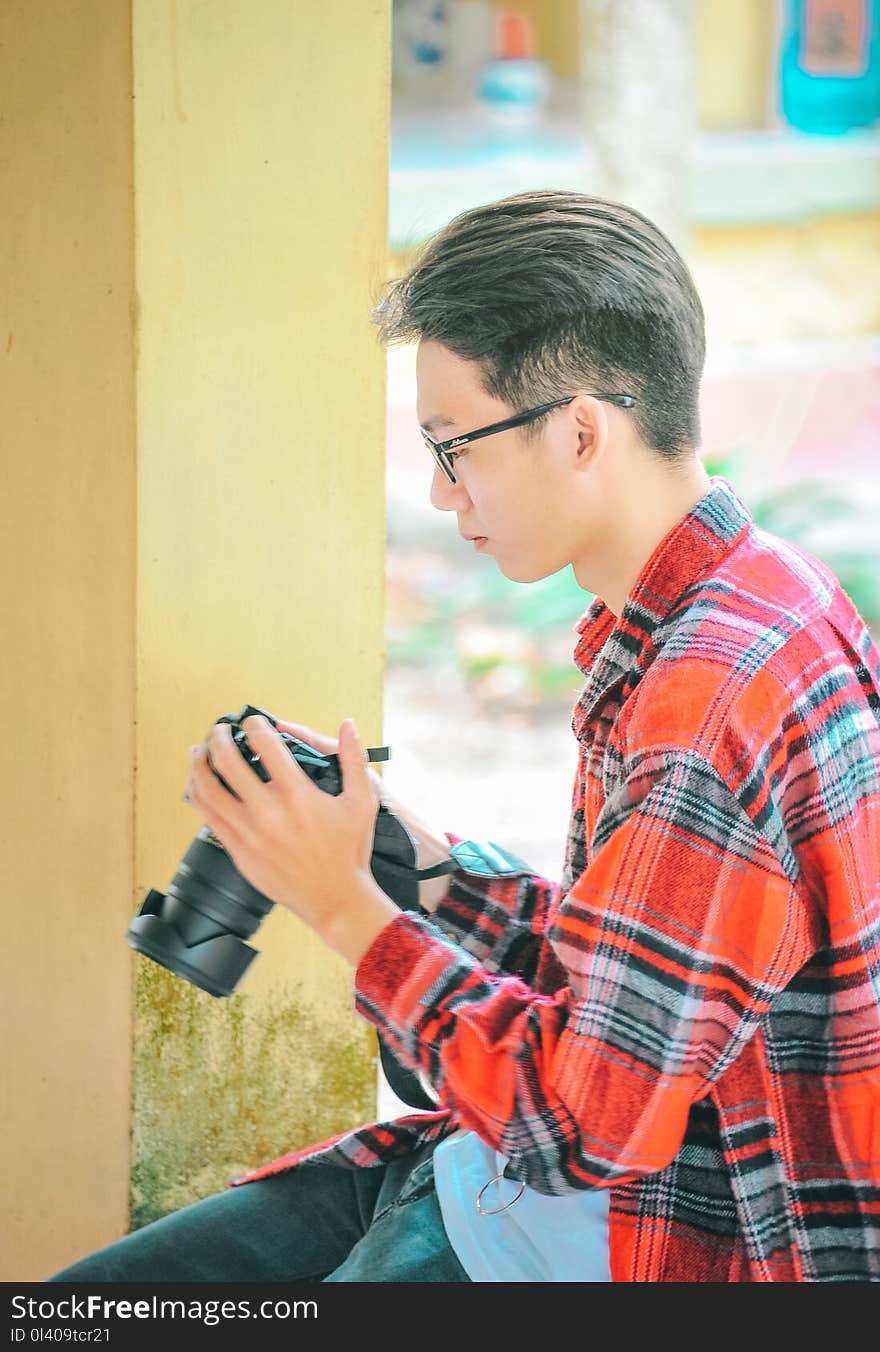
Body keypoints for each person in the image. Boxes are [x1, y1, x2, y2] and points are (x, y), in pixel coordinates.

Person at [48, 189, 880, 1284]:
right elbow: (637, 993)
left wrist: (344, 902)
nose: (443, 497)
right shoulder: (753, 593)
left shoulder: (706, 701)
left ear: (581, 429)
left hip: (634, 1240)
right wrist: (422, 862)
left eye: (455, 447)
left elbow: (584, 1127)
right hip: (477, 1169)